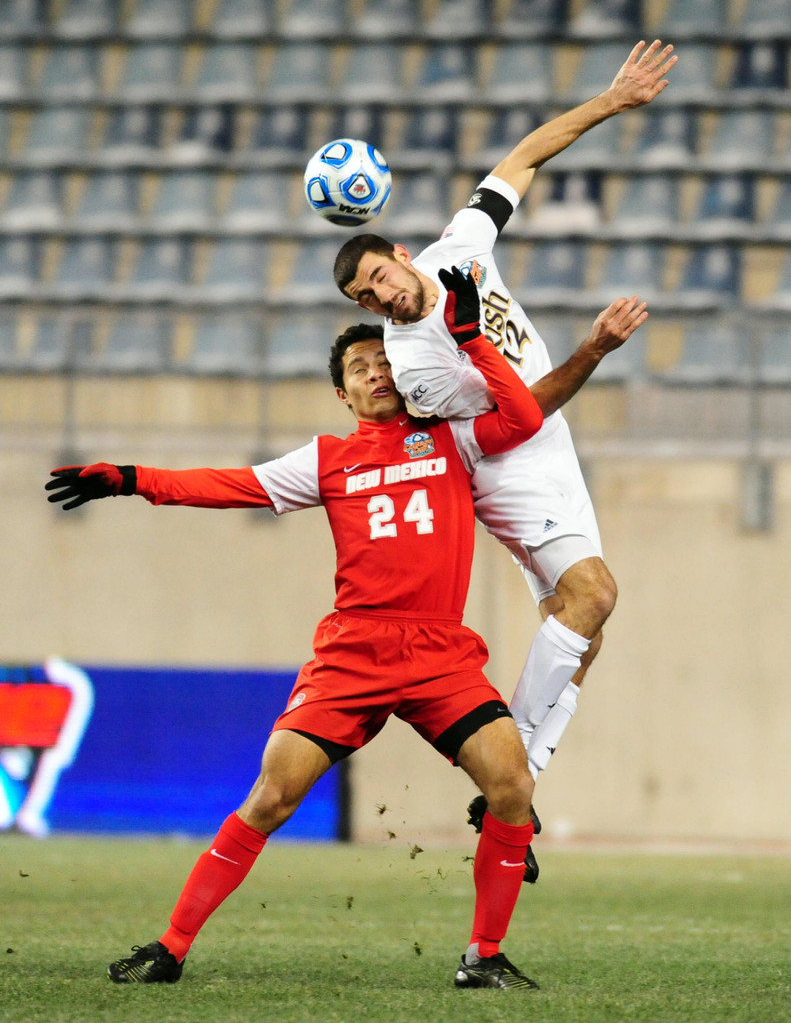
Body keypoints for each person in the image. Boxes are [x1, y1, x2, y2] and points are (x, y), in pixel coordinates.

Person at [46, 270, 646, 991]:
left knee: (511, 787)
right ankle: (169, 947)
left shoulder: (452, 438)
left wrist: (512, 343)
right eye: (360, 369)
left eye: (386, 362)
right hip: (353, 654)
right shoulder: (326, 461)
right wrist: (129, 476)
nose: (376, 373)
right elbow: (225, 485)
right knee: (271, 798)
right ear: (344, 395)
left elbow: (522, 415)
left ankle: (482, 957)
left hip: (436, 653)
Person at [333, 40, 678, 835]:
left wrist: (610, 101)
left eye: (380, 279)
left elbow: (522, 157)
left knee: (580, 629)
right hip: (502, 461)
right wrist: (593, 350)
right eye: (365, 298)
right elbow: (518, 411)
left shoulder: (461, 245)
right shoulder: (416, 367)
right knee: (594, 596)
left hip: (547, 441)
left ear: (399, 254)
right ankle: (511, 770)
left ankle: (517, 777)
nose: (381, 298)